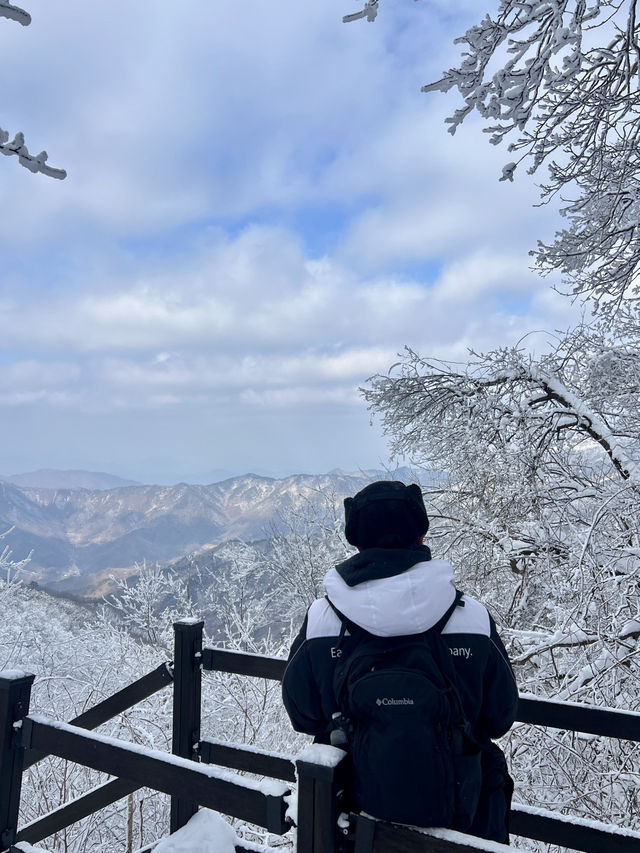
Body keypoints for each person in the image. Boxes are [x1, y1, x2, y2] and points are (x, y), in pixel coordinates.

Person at [281, 480, 518, 844]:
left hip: (353, 826)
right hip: (462, 825)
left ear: (357, 542)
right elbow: (500, 717)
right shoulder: (470, 617)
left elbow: (304, 715)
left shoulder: (322, 619)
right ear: (420, 537)